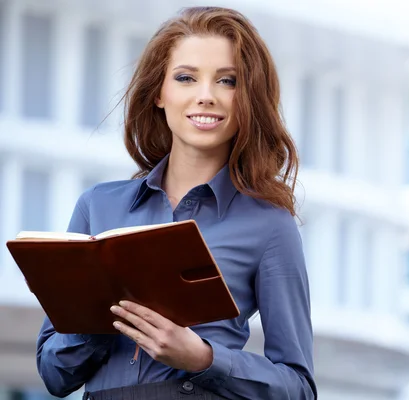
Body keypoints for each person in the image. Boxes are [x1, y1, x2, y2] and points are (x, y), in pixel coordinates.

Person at [35, 6, 316, 400]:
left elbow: (299, 387)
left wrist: (202, 358)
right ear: (159, 94)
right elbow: (54, 374)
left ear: (249, 97)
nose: (206, 96)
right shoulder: (97, 206)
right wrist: (98, 316)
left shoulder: (269, 224)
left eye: (228, 81)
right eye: (186, 78)